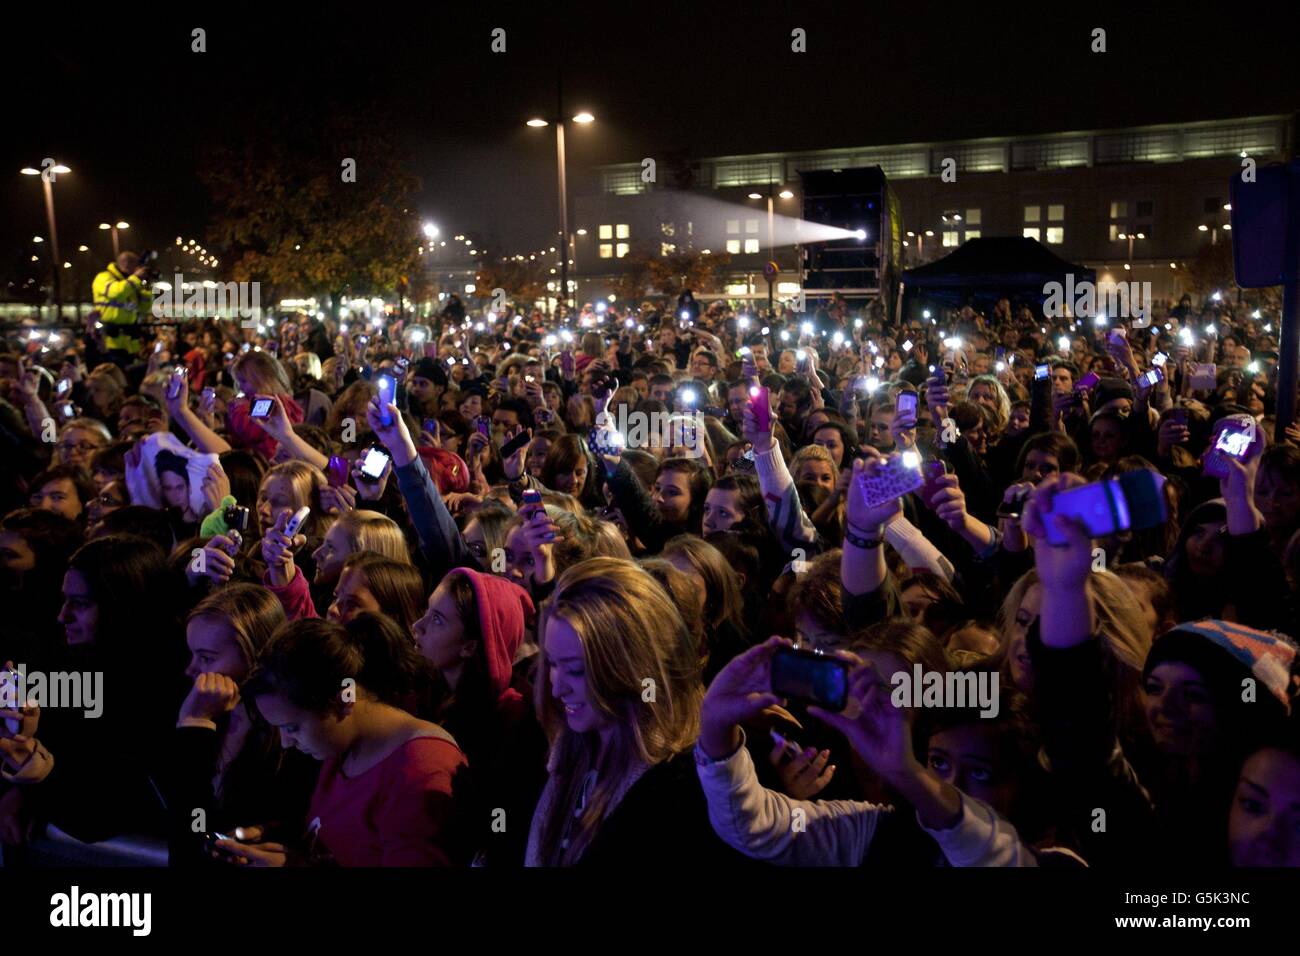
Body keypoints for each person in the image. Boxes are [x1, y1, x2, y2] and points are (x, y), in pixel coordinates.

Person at [526, 557, 738, 866]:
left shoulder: (678, 794)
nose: (556, 688)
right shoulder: (566, 746)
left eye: (575, 671)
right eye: (553, 664)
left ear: (632, 667)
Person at [226, 616, 467, 866]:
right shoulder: (344, 745)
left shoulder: (421, 774)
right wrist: (273, 835)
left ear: (343, 701)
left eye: (292, 728)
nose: (286, 743)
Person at [92, 251, 155, 361]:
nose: (139, 270)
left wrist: (146, 288)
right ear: (127, 266)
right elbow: (117, 292)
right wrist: (136, 278)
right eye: (137, 267)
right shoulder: (103, 277)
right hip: (109, 342)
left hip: (130, 343)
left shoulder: (131, 283)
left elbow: (145, 308)